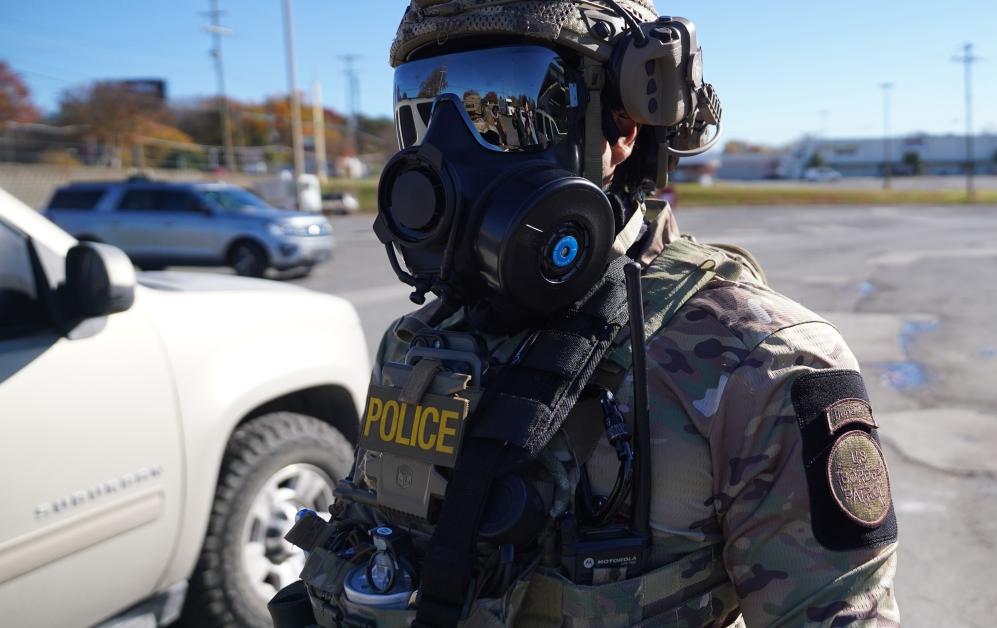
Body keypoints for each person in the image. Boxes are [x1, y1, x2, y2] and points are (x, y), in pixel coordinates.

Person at [281, 1, 899, 626]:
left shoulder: (759, 360)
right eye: (420, 110)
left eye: (502, 110)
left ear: (622, 126)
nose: (445, 150)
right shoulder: (422, 340)